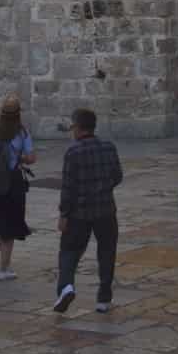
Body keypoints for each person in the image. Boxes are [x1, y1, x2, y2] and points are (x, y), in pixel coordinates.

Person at [54, 107, 123, 315]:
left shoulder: (73, 152)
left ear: (77, 127)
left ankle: (66, 287)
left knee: (69, 251)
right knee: (107, 252)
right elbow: (118, 175)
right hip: (105, 209)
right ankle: (103, 298)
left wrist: (64, 214)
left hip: (79, 213)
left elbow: (68, 187)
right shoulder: (108, 147)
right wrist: (103, 187)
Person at [0, 94, 34, 281]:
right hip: (12, 182)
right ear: (18, 114)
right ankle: (4, 266)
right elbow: (31, 158)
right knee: (10, 224)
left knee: (0, 223)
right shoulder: (22, 133)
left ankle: (5, 262)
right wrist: (19, 157)